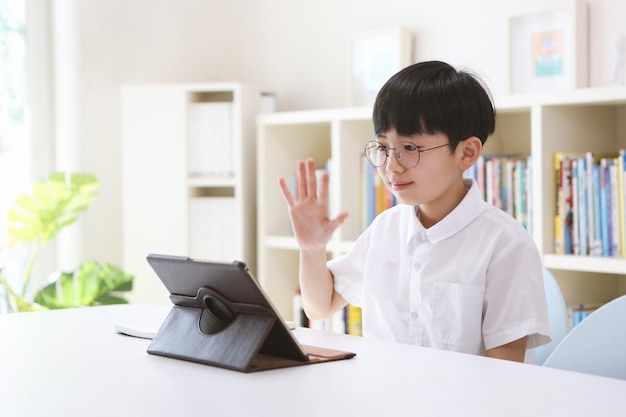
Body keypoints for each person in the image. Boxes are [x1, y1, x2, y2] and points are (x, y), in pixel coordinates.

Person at [278, 60, 551, 362]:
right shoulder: (385, 229)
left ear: (467, 153)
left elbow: (505, 376)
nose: (391, 166)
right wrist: (312, 249)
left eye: (409, 148)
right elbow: (320, 305)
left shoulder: (505, 245)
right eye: (383, 148)